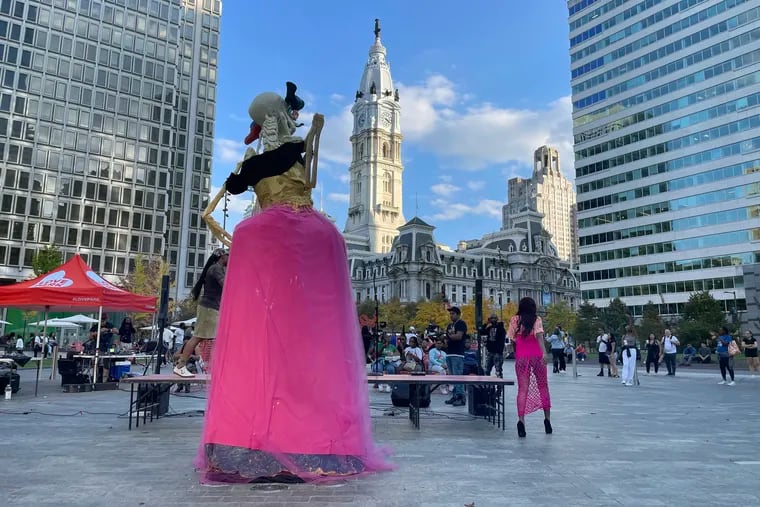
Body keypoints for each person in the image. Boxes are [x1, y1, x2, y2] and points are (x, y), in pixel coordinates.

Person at [195, 82, 392, 483]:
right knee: (312, 330)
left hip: (274, 236)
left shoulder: (257, 162)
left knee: (262, 306)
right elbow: (294, 153)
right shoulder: (296, 148)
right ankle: (318, 436)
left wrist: (240, 175)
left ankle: (257, 435)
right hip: (317, 236)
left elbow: (232, 189)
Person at [173, 249, 228, 377]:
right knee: (198, 336)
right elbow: (226, 284)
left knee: (213, 337)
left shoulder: (215, 268)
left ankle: (215, 367)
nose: (229, 258)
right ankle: (180, 365)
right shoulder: (216, 268)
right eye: (227, 255)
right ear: (221, 257)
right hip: (209, 308)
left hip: (211, 308)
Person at [507, 297, 551, 438]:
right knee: (543, 386)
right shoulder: (536, 319)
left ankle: (521, 421)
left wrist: (516, 352)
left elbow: (512, 340)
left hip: (522, 355)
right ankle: (547, 420)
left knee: (522, 389)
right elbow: (539, 336)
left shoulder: (515, 320)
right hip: (536, 354)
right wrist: (544, 353)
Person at [444, 306, 468, 407]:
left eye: (453, 313)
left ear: (458, 314)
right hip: (449, 352)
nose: (451, 315)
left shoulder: (461, 323)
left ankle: (461, 397)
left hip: (457, 353)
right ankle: (455, 394)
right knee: (453, 376)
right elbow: (447, 338)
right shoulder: (450, 325)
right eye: (450, 313)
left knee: (458, 376)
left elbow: (458, 336)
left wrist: (449, 337)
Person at [481, 314, 506, 378]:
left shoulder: (501, 329)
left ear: (497, 319)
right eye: (491, 318)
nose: (493, 320)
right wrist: (486, 324)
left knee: (498, 371)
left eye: (494, 318)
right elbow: (482, 332)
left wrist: (499, 350)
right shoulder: (489, 328)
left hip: (497, 352)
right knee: (487, 370)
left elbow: (501, 340)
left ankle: (500, 386)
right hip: (490, 351)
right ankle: (488, 386)